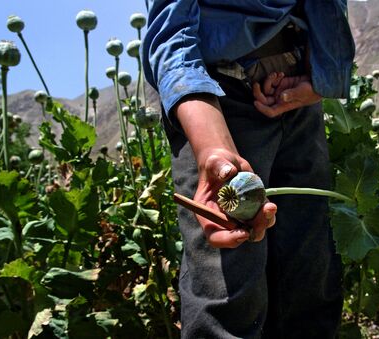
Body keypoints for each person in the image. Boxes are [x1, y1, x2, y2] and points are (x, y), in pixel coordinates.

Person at [142, 1, 354, 338]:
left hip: (298, 94)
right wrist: (212, 145)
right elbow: (171, 32)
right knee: (227, 300)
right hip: (219, 103)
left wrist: (322, 75)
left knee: (309, 281)